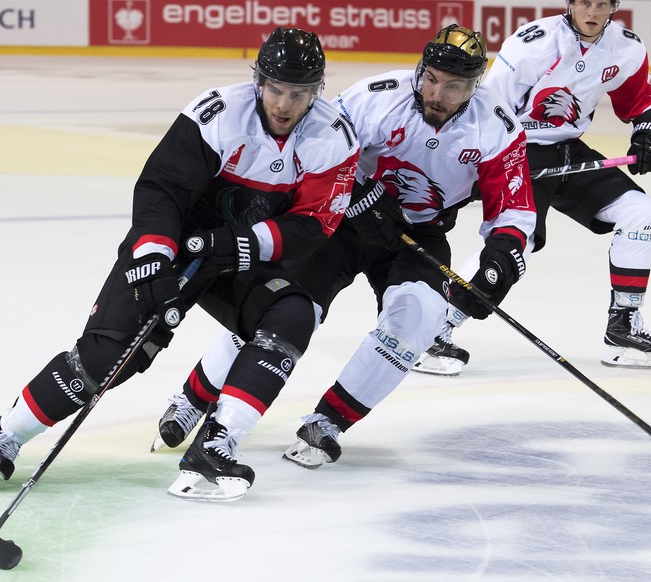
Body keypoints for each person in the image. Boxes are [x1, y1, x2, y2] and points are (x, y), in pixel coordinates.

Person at [0, 27, 359, 502]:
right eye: (275, 89)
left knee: (291, 314)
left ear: (317, 90)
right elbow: (161, 191)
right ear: (259, 81)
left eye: (299, 93)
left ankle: (215, 445)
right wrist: (153, 258)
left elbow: (312, 225)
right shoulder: (217, 115)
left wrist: (231, 245)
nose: (285, 104)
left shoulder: (333, 136)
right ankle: (2, 437)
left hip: (237, 256)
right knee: (111, 356)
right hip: (174, 247)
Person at [150, 24, 536, 469]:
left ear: (477, 83)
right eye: (430, 78)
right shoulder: (375, 97)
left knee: (420, 318)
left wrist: (500, 260)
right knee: (282, 309)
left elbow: (513, 208)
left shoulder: (497, 126)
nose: (437, 93)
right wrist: (358, 194)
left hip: (418, 235)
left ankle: (329, 420)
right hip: (340, 222)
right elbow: (319, 147)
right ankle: (194, 399)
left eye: (454, 86)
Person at [420, 0, 651, 374]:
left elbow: (640, 101)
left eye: (601, 5)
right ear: (570, 4)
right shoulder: (531, 45)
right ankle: (433, 330)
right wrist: (480, 166)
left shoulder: (626, 47)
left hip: (569, 151)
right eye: (584, 3)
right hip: (519, 149)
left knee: (640, 213)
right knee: (516, 240)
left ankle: (623, 327)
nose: (591, 12)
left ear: (614, 7)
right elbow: (484, 108)